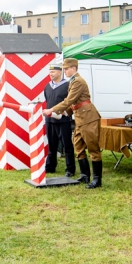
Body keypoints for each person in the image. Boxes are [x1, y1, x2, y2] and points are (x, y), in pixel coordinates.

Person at [43, 58, 102, 189]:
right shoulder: (73, 81)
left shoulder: (78, 82)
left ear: (73, 68)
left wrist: (52, 110)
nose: (64, 71)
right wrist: (64, 113)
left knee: (93, 148)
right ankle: (85, 175)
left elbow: (69, 100)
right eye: (63, 69)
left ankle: (97, 180)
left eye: (66, 69)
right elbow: (74, 103)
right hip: (80, 117)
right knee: (78, 146)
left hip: (88, 118)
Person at [43, 63, 75, 177]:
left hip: (63, 120)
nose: (50, 74)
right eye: (50, 72)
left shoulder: (67, 85)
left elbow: (69, 102)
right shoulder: (47, 86)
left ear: (59, 72)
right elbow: (48, 100)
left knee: (67, 146)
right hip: (50, 120)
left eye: (53, 72)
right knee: (52, 145)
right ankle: (50, 167)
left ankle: (70, 169)